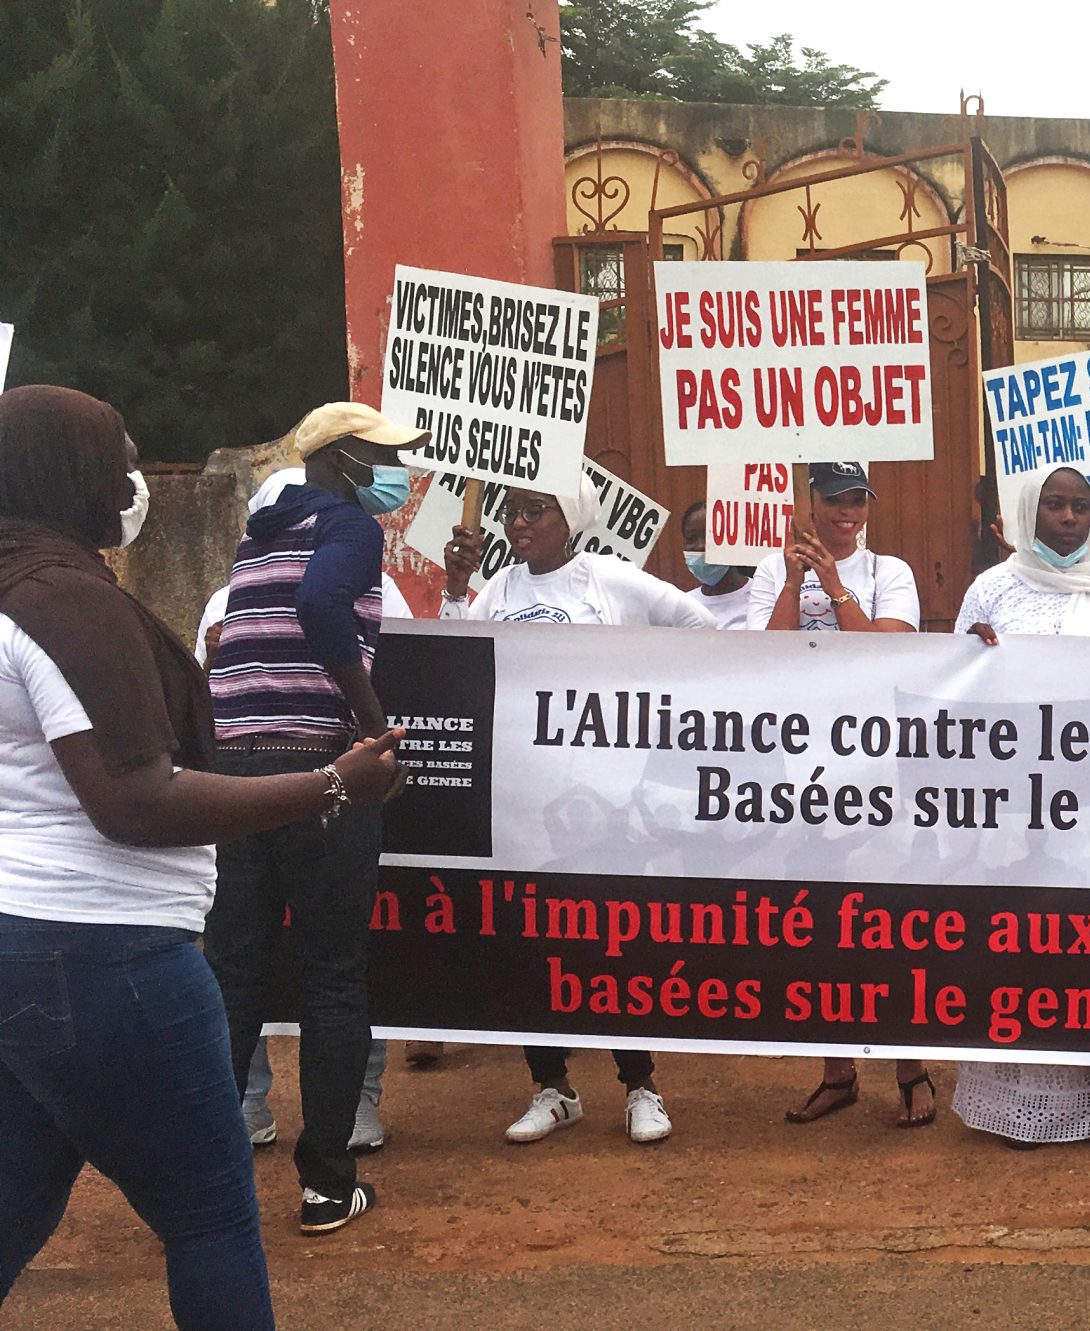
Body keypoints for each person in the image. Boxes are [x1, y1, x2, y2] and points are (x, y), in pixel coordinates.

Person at [0, 386, 404, 1325]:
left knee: (18, 1198)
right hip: (113, 954)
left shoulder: (19, 585)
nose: (135, 478)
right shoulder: (66, 601)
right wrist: (334, 783)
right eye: (121, 455)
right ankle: (328, 1176)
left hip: (27, 947)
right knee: (211, 1215)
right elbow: (134, 801)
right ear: (68, 473)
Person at [201, 402, 422, 1236]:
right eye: (381, 453)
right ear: (340, 458)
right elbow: (324, 611)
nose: (396, 471)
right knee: (332, 975)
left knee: (235, 975)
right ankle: (328, 1183)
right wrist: (373, 727)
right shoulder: (348, 529)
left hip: (236, 778)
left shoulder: (261, 533)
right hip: (319, 771)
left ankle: (205, 1181)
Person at [443, 476, 712, 1145]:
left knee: (608, 941)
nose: (518, 522)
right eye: (512, 511)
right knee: (532, 943)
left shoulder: (610, 581)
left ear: (575, 517)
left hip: (604, 805)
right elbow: (452, 657)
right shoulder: (500, 589)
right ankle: (551, 1087)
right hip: (522, 799)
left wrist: (644, 703)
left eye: (535, 509)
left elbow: (698, 626)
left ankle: (640, 1085)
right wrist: (455, 588)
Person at [944, 463, 1090, 1149]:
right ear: (1029, 512)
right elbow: (954, 686)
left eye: (1081, 506)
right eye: (1055, 506)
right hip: (1016, 803)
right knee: (1021, 944)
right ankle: (1016, 1105)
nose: (1068, 518)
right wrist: (977, 659)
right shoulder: (992, 587)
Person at [738, 461, 939, 1128]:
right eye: (836, 500)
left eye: (858, 501)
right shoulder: (773, 570)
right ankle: (837, 1071)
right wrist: (797, 581)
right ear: (812, 502)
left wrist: (834, 586)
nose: (848, 513)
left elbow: (890, 652)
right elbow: (766, 656)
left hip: (875, 768)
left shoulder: (891, 572)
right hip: (800, 766)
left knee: (884, 920)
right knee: (815, 923)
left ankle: (910, 1067)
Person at [678, 500, 754, 630]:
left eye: (712, 536)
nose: (701, 546)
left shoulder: (762, 598)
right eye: (691, 538)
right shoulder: (682, 605)